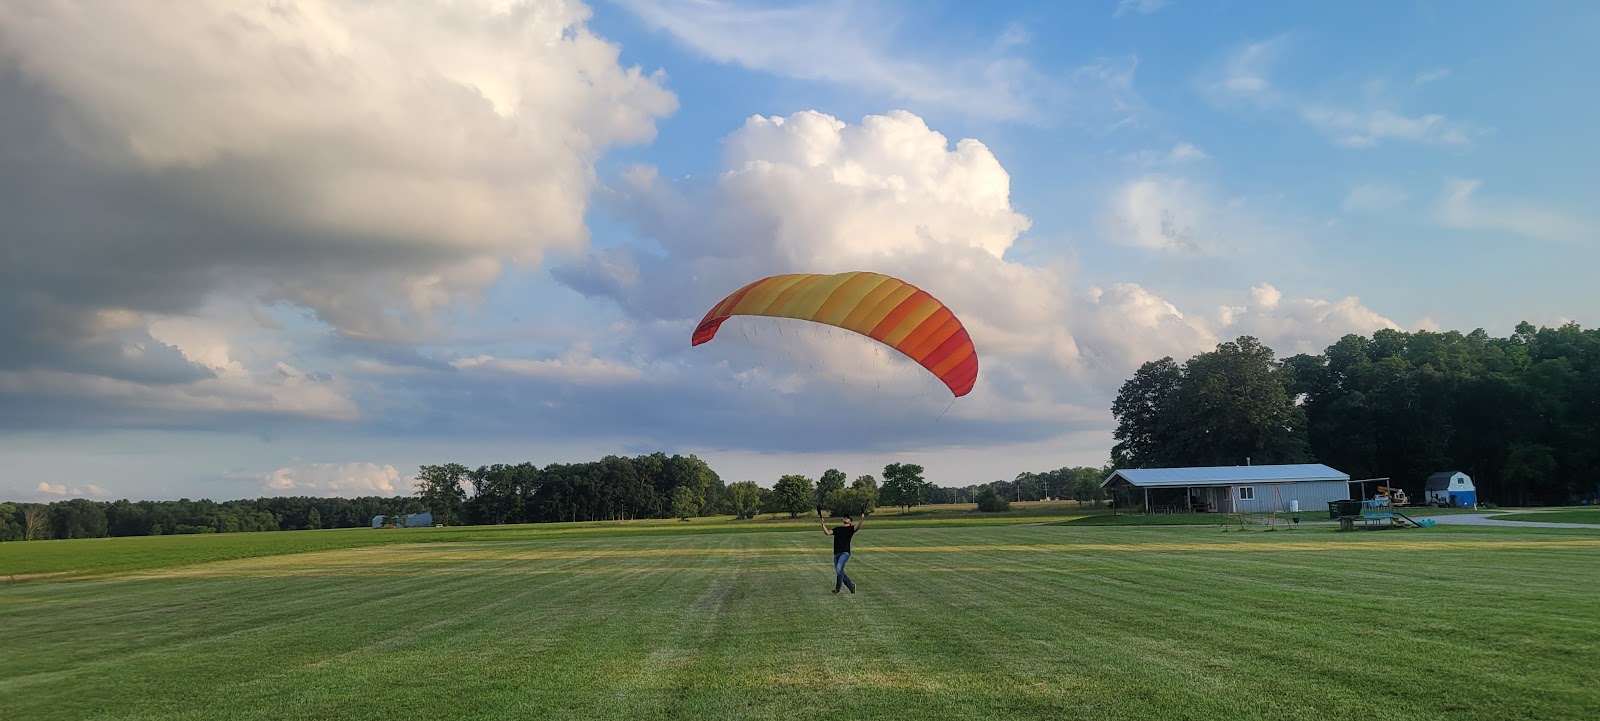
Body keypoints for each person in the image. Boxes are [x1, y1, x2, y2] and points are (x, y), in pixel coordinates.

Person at [820, 513, 861, 594]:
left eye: (847, 518)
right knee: (840, 571)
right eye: (844, 517)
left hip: (845, 552)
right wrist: (822, 524)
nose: (845, 518)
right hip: (836, 553)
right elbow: (827, 533)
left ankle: (837, 589)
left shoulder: (851, 529)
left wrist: (861, 519)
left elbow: (857, 527)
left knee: (839, 569)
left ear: (850, 522)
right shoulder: (838, 529)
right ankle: (851, 586)